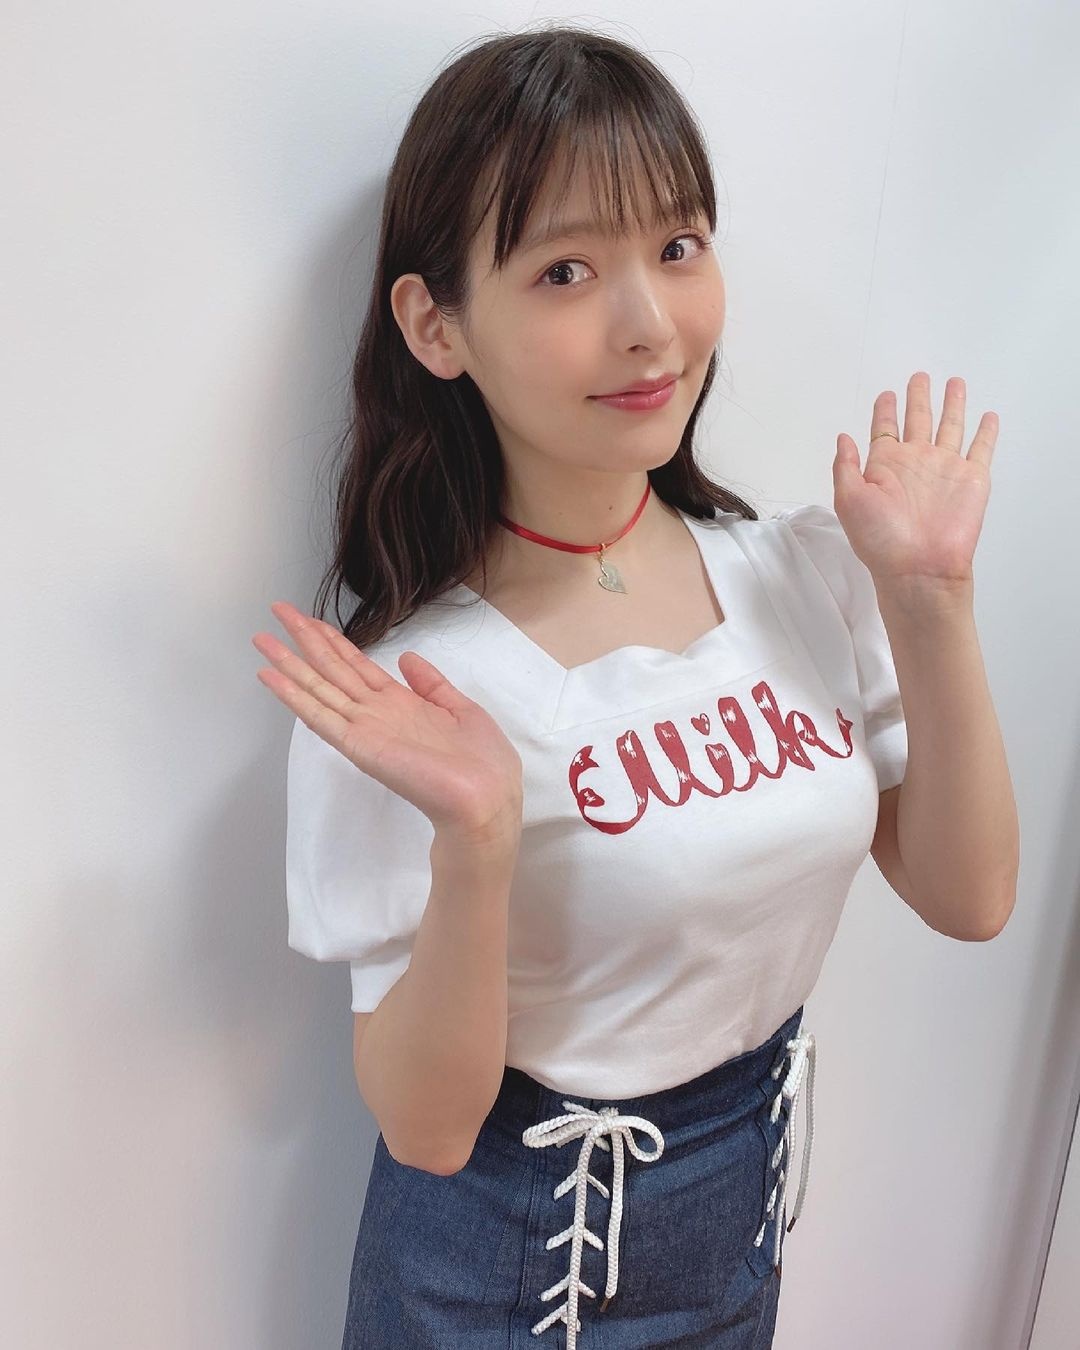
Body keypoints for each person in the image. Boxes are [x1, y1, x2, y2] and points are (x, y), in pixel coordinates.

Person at [251, 24, 917, 1350]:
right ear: (436, 325)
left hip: (740, 1219)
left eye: (678, 245)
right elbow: (429, 1129)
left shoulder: (801, 569)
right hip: (497, 1274)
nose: (650, 325)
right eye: (566, 270)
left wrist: (936, 597)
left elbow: (972, 896)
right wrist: (477, 838)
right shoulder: (409, 695)